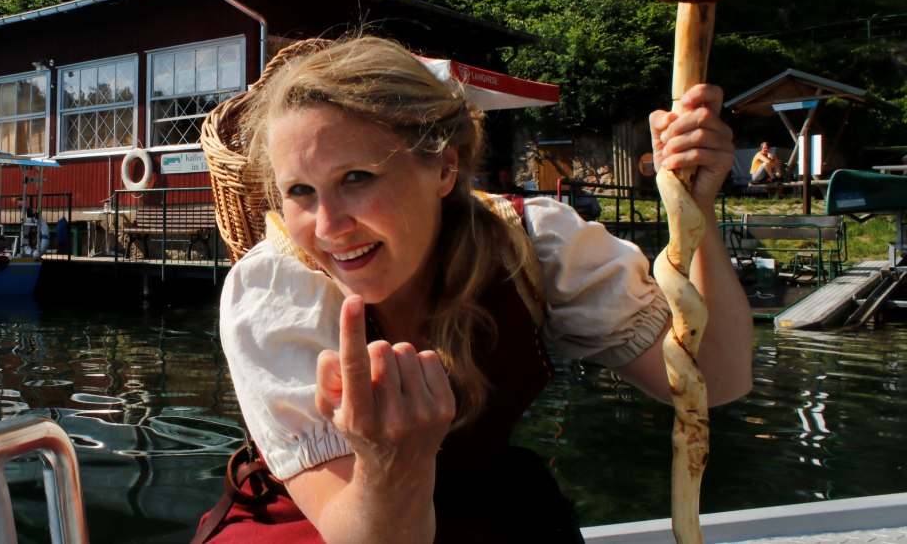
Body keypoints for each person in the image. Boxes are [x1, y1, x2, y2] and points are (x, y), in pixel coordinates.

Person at [194, 37, 752, 543]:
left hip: (473, 508)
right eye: (300, 191)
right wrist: (390, 461)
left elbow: (715, 381)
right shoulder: (275, 290)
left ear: (443, 169)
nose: (328, 226)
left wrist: (693, 210)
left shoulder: (533, 244)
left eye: (357, 178)